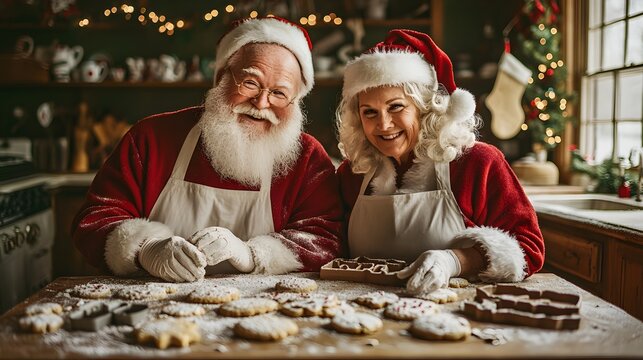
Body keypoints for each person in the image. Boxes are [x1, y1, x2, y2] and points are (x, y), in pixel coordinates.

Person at [72, 17, 343, 282]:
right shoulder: (151, 139)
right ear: (221, 78)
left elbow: (324, 239)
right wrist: (144, 249)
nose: (261, 103)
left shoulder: (308, 159)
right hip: (155, 311)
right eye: (250, 83)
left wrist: (252, 254)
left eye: (279, 93)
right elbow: (94, 219)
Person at [336, 29, 544, 295]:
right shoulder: (352, 173)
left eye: (396, 107)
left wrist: (454, 261)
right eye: (369, 112)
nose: (384, 124)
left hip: (458, 315)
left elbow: (528, 249)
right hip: (362, 315)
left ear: (425, 107)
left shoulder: (476, 163)